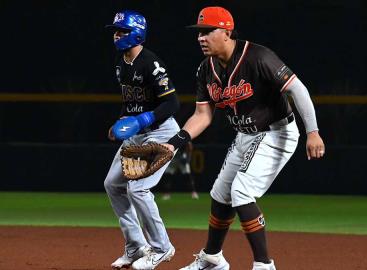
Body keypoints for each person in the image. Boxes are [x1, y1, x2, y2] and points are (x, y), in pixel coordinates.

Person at [165, 6, 325, 270]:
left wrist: (313, 131)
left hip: (276, 132)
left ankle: (264, 265)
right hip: (245, 135)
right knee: (220, 194)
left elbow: (297, 89)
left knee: (241, 191)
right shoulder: (205, 69)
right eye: (198, 33)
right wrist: (175, 142)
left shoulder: (258, 56)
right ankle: (213, 258)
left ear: (227, 32)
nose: (200, 38)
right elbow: (203, 115)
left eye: (207, 31)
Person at [103, 10, 179, 270]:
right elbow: (131, 103)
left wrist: (142, 120)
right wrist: (121, 122)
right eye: (116, 29)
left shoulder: (151, 63)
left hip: (160, 132)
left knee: (138, 189)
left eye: (122, 30)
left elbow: (172, 103)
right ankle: (136, 246)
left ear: (136, 33)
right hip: (137, 133)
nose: (116, 34)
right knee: (113, 183)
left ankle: (161, 248)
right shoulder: (120, 63)